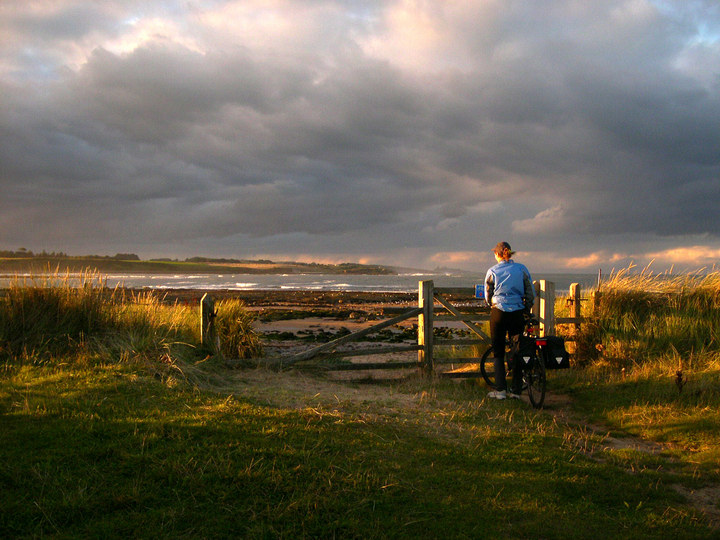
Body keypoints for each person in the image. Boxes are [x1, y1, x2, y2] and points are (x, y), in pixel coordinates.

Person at [484, 241, 534, 400]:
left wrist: (491, 304)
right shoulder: (521, 269)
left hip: (499, 312)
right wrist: (526, 308)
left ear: (498, 254)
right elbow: (530, 292)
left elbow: (487, 294)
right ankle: (516, 391)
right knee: (517, 349)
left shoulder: (492, 271)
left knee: (498, 350)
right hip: (517, 312)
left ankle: (500, 390)